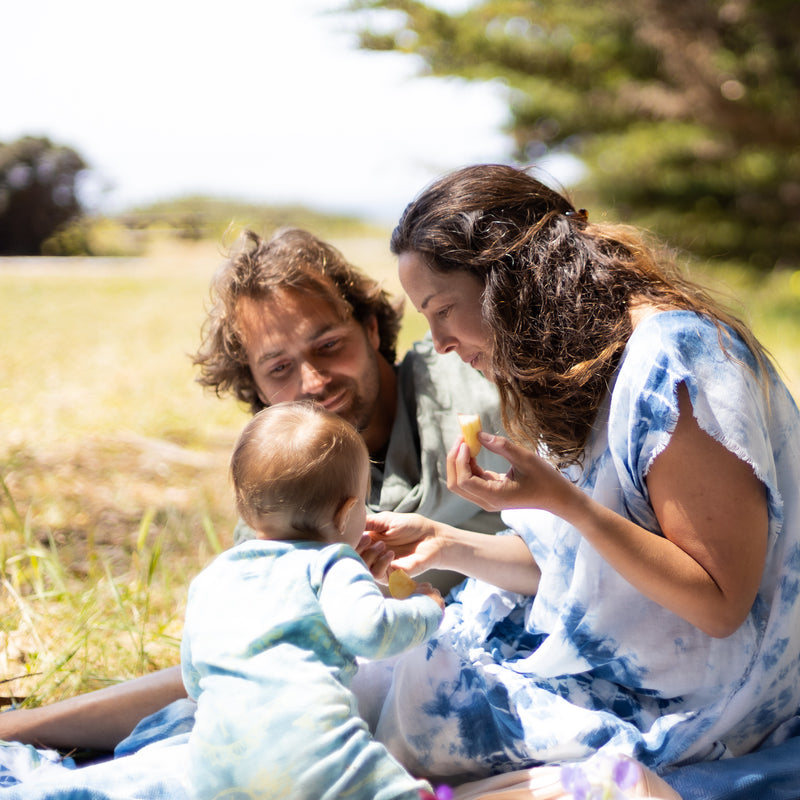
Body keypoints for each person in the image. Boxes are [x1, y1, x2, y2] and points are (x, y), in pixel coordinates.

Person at [346, 163, 800, 794]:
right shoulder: (582, 360)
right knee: (345, 680)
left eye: (444, 309)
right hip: (613, 668)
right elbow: (572, 568)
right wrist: (446, 544)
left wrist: (565, 503)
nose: (440, 343)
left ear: (508, 279)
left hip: (687, 702)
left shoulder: (677, 358)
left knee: (373, 711)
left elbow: (719, 603)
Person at [0, 227, 506, 757]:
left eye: (329, 346)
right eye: (279, 368)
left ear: (372, 328)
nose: (313, 382)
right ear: (256, 387)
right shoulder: (284, 503)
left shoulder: (469, 379)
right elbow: (238, 669)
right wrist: (25, 727)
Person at [182, 401, 444, 800]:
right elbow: (371, 632)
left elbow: (193, 682)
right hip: (315, 761)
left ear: (243, 506)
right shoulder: (331, 564)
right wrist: (426, 609)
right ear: (347, 513)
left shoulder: (212, 578)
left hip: (214, 773)